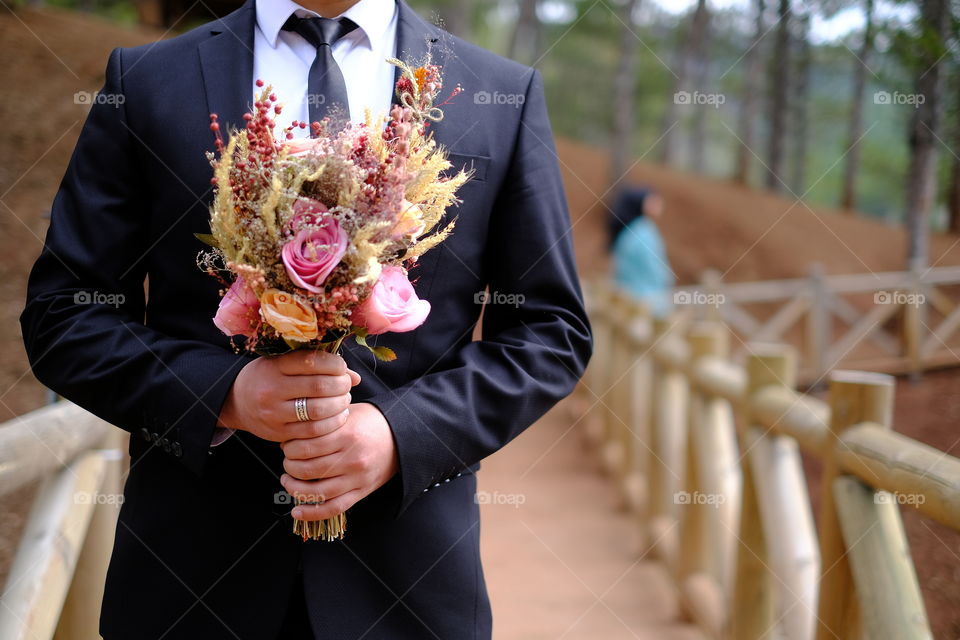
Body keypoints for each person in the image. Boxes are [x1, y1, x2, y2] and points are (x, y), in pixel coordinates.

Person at [19, 0, 592, 638]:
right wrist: (224, 395)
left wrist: (401, 436)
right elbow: (64, 312)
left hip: (408, 592)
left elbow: (549, 332)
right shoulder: (148, 80)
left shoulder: (500, 95)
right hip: (189, 586)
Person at [609, 186, 674, 316]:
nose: (660, 204)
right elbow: (655, 269)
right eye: (653, 201)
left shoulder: (628, 232)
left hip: (628, 302)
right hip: (649, 304)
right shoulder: (644, 231)